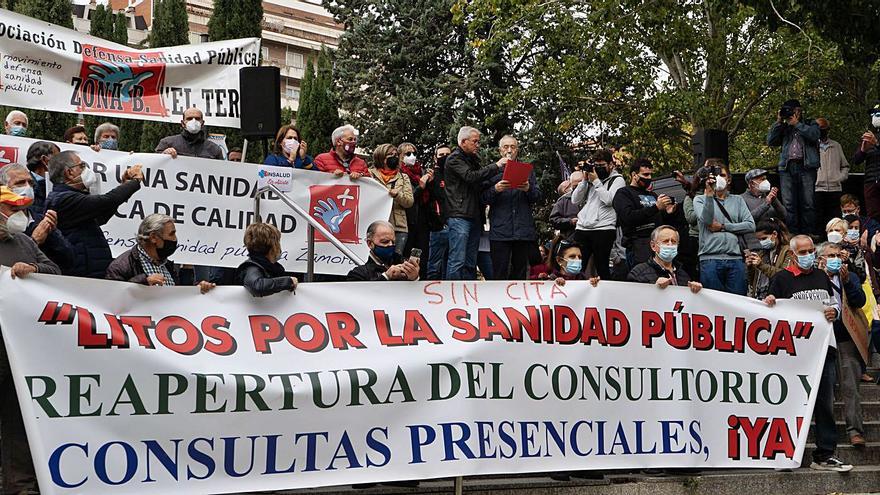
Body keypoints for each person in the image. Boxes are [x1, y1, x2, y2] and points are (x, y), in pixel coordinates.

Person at [764, 235, 852, 472]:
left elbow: (833, 303)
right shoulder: (781, 279)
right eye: (803, 252)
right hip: (793, 354)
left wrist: (834, 312)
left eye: (811, 251)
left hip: (823, 349)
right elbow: (770, 310)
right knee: (789, 403)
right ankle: (783, 453)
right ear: (793, 255)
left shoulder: (822, 276)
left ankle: (825, 454)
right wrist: (769, 301)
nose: (808, 255)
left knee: (825, 403)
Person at [0, 185, 61, 495]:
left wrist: (34, 269)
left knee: (17, 420)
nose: (20, 216)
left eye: (22, 210)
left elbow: (54, 271)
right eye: (13, 210)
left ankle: (19, 484)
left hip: (18, 349)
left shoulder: (24, 241)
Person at [45, 151, 144, 278]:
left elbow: (101, 216)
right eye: (82, 166)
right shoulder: (64, 199)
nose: (86, 169)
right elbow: (107, 201)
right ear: (69, 172)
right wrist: (135, 181)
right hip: (80, 274)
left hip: (90, 269)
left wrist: (125, 185)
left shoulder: (69, 197)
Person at [816, 241, 867, 448]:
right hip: (821, 339)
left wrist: (847, 283)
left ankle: (855, 430)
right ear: (821, 259)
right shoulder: (814, 278)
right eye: (831, 256)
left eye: (838, 255)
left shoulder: (850, 276)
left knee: (850, 386)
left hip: (845, 337)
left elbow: (860, 301)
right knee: (824, 388)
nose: (836, 259)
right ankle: (825, 435)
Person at [444, 126, 505, 280]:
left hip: (474, 215)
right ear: (463, 142)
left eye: (478, 141)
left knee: (470, 262)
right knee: (457, 260)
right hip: (459, 215)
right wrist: (496, 166)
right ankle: (452, 291)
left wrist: (499, 182)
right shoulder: (454, 159)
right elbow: (471, 176)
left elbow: (480, 182)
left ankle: (468, 291)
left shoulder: (473, 160)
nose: (478, 145)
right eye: (475, 141)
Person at [106, 214, 215, 292]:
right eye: (171, 234)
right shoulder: (121, 266)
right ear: (153, 237)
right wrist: (143, 282)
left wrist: (198, 289)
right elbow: (113, 296)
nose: (175, 239)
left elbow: (178, 293)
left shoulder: (167, 265)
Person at [482, 135, 541, 280]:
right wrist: (495, 189)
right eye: (506, 147)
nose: (509, 150)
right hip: (500, 231)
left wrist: (528, 189)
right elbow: (482, 198)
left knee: (520, 272)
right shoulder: (491, 171)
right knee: (499, 273)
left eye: (513, 147)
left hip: (522, 231)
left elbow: (538, 197)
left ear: (517, 150)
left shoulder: (527, 170)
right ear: (500, 150)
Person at [693, 164, 755, 295]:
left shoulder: (738, 200)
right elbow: (707, 220)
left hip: (735, 259)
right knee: (713, 302)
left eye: (722, 175)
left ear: (729, 179)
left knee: (738, 301)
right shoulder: (699, 200)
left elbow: (750, 225)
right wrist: (709, 196)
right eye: (716, 175)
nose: (719, 178)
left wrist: (723, 226)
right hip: (710, 259)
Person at [0, 163, 74, 270]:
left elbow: (67, 261)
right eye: (20, 183)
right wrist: (34, 240)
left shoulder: (41, 219)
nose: (27, 187)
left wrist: (54, 234)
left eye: (30, 183)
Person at [612, 158, 683, 267]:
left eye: (650, 174)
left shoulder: (652, 195)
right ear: (634, 175)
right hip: (638, 246)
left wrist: (669, 212)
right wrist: (655, 207)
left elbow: (659, 219)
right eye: (645, 175)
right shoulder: (624, 193)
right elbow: (628, 217)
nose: (649, 178)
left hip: (658, 245)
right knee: (642, 275)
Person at [766, 99, 821, 234]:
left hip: (806, 166)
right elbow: (771, 141)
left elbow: (815, 136)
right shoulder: (784, 127)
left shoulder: (810, 123)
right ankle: (791, 233)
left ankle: (809, 233)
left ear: (799, 110)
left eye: (791, 110)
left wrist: (797, 124)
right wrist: (779, 122)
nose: (789, 113)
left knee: (808, 202)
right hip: (787, 167)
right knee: (788, 203)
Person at [571, 149, 625, 278]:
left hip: (603, 228)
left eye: (602, 165)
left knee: (602, 267)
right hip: (583, 227)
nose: (599, 169)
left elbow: (609, 200)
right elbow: (575, 200)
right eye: (596, 166)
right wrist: (584, 181)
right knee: (578, 265)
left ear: (611, 164)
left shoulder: (618, 180)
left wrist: (596, 181)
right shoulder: (590, 180)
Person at [627, 225, 702, 293]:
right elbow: (633, 298)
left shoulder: (683, 275)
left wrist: (694, 291)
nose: (670, 244)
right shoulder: (638, 273)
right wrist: (654, 288)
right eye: (665, 241)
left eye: (674, 241)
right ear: (653, 246)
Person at [368, 144, 414, 253]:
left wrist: (398, 195)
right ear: (381, 158)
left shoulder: (403, 177)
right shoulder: (369, 175)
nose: (395, 157)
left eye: (396, 155)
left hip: (398, 228)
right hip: (375, 225)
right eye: (390, 155)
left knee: (395, 258)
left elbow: (409, 202)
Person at [234, 222, 298, 297]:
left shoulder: (271, 268)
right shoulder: (252, 268)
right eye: (278, 242)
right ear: (273, 246)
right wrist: (287, 281)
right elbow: (257, 287)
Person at [347, 220, 419, 281]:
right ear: (370, 244)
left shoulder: (404, 264)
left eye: (393, 242)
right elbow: (359, 292)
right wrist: (386, 277)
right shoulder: (359, 274)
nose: (390, 245)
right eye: (385, 242)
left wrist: (414, 278)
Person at [814, 118, 849, 227]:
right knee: (818, 219)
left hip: (835, 189)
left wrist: (840, 177)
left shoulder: (836, 145)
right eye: (820, 129)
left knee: (835, 219)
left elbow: (845, 166)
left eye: (824, 129)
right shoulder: (811, 146)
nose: (822, 132)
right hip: (817, 188)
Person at [746, 219, 792, 299]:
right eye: (759, 240)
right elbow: (752, 281)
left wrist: (761, 265)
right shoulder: (760, 253)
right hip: (759, 296)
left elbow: (784, 276)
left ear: (774, 234)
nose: (761, 242)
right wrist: (749, 267)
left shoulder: (787, 251)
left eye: (764, 239)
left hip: (777, 298)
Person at [154, 107, 224, 160]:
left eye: (197, 119)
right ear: (183, 123)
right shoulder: (167, 143)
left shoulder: (214, 149)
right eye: (189, 118)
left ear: (202, 123)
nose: (194, 121)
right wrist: (163, 155)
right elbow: (154, 163)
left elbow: (221, 170)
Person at [424, 145, 451, 280]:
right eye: (441, 155)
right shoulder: (431, 175)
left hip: (455, 225)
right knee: (434, 265)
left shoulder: (455, 174)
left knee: (450, 264)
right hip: (438, 227)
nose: (445, 157)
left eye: (447, 154)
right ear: (435, 158)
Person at [854, 106, 880, 219]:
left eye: (878, 115)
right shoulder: (869, 136)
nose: (875, 118)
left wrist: (877, 144)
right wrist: (863, 150)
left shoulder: (874, 139)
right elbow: (856, 160)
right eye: (873, 115)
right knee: (873, 215)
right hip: (870, 181)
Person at [826, 217, 866, 283]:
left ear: (845, 234)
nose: (833, 233)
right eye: (830, 230)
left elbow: (862, 277)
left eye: (837, 230)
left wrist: (848, 261)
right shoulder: (821, 251)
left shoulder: (855, 250)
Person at [24, 141, 59, 211]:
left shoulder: (58, 185)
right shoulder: (24, 187)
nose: (63, 163)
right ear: (45, 160)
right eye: (58, 158)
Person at [549, 170, 583, 239]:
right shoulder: (563, 200)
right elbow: (554, 220)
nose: (579, 188)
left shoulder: (594, 195)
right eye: (575, 186)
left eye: (581, 184)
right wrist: (570, 221)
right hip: (571, 240)